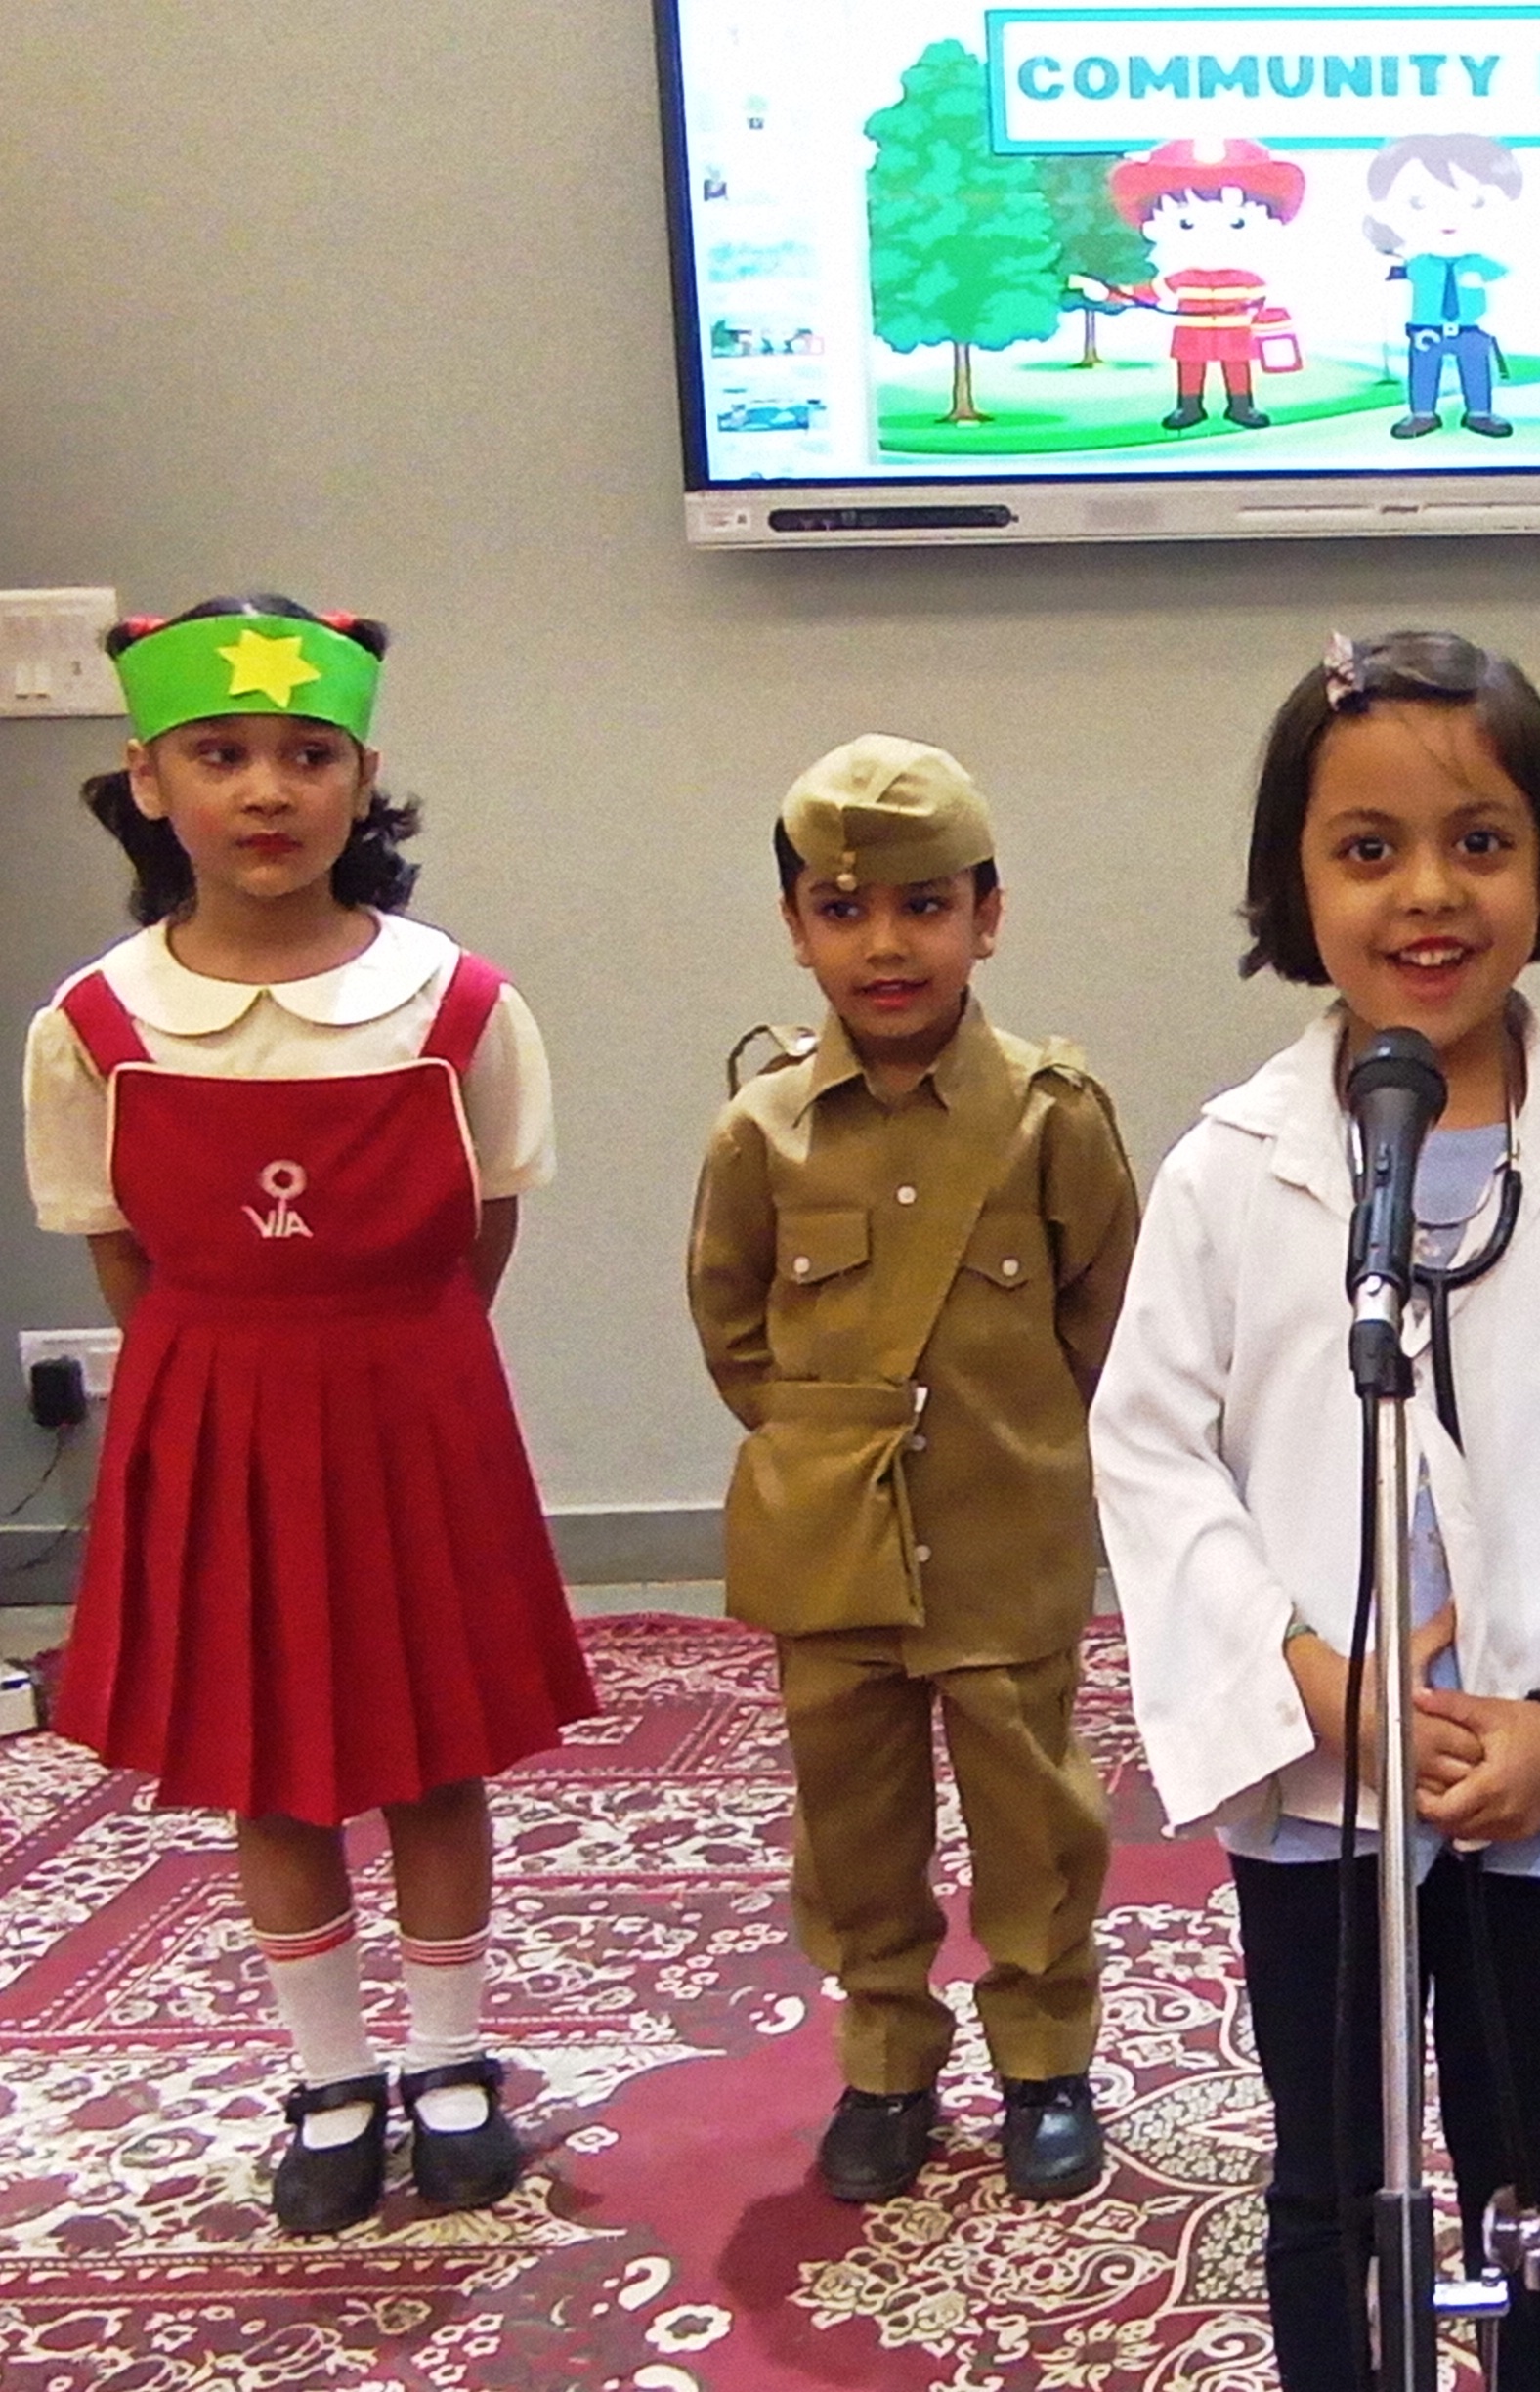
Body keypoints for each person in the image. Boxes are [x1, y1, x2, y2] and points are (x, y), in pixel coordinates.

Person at [1091, 630, 1540, 2392]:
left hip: (1533, 1781)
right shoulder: (1231, 1171)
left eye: (1479, 840)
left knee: (1531, 2156)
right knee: (1326, 2166)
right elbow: (1152, 1454)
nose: (1427, 893)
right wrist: (1319, 1686)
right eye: (1366, 848)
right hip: (1323, 1779)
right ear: (1295, 883)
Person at [20, 597, 593, 2234]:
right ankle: (329, 2074)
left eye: (305, 754)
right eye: (220, 755)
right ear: (151, 783)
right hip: (216, 1410)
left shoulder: (457, 1004)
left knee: (432, 1748)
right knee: (267, 1760)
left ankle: (452, 2059)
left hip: (412, 1401)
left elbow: (482, 1224)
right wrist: (235, 1370)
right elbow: (122, 1248)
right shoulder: (92, 1027)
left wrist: (386, 1358)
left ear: (363, 777)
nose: (265, 790)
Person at [688, 737, 1138, 2204]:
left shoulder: (1053, 1117)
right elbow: (734, 1330)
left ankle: (1044, 2059)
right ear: (795, 927)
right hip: (832, 1550)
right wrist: (828, 1458)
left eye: (924, 905)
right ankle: (884, 2059)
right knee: (853, 1822)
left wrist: (1032, 1464)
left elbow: (1108, 1320)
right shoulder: (762, 1131)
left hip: (1003, 1533)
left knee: (1034, 1816)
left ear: (986, 917)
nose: (885, 943)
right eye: (842, 908)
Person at [1090, 136, 1307, 430]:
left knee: (1238, 369)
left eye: (1237, 223)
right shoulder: (1183, 280)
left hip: (1235, 337)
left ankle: (1241, 407)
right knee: (1190, 370)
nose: (1212, 236)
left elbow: (1266, 306)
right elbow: (1149, 294)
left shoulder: (1248, 280)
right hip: (1192, 337)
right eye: (1186, 223)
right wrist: (1109, 293)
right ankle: (1189, 408)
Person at [1364, 133, 1519, 440]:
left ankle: (1479, 413)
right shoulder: (1417, 262)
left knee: (1476, 370)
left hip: (1471, 329)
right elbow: (1393, 277)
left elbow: (1506, 280)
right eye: (1419, 203)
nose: (1448, 216)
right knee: (1423, 371)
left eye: (1475, 202)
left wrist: (1495, 317)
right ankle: (1422, 414)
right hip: (1426, 328)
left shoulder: (1480, 262)